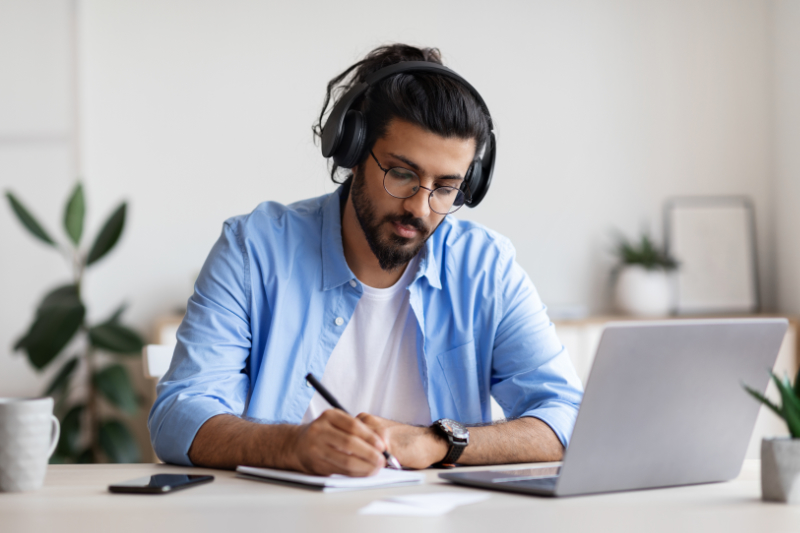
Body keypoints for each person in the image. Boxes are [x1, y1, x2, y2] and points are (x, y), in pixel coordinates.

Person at [149, 44, 583, 477]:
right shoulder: (254, 249)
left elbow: (566, 415)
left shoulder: (486, 268)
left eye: (446, 188)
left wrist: (437, 441)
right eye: (402, 174)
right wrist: (292, 446)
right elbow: (178, 416)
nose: (421, 207)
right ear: (352, 151)